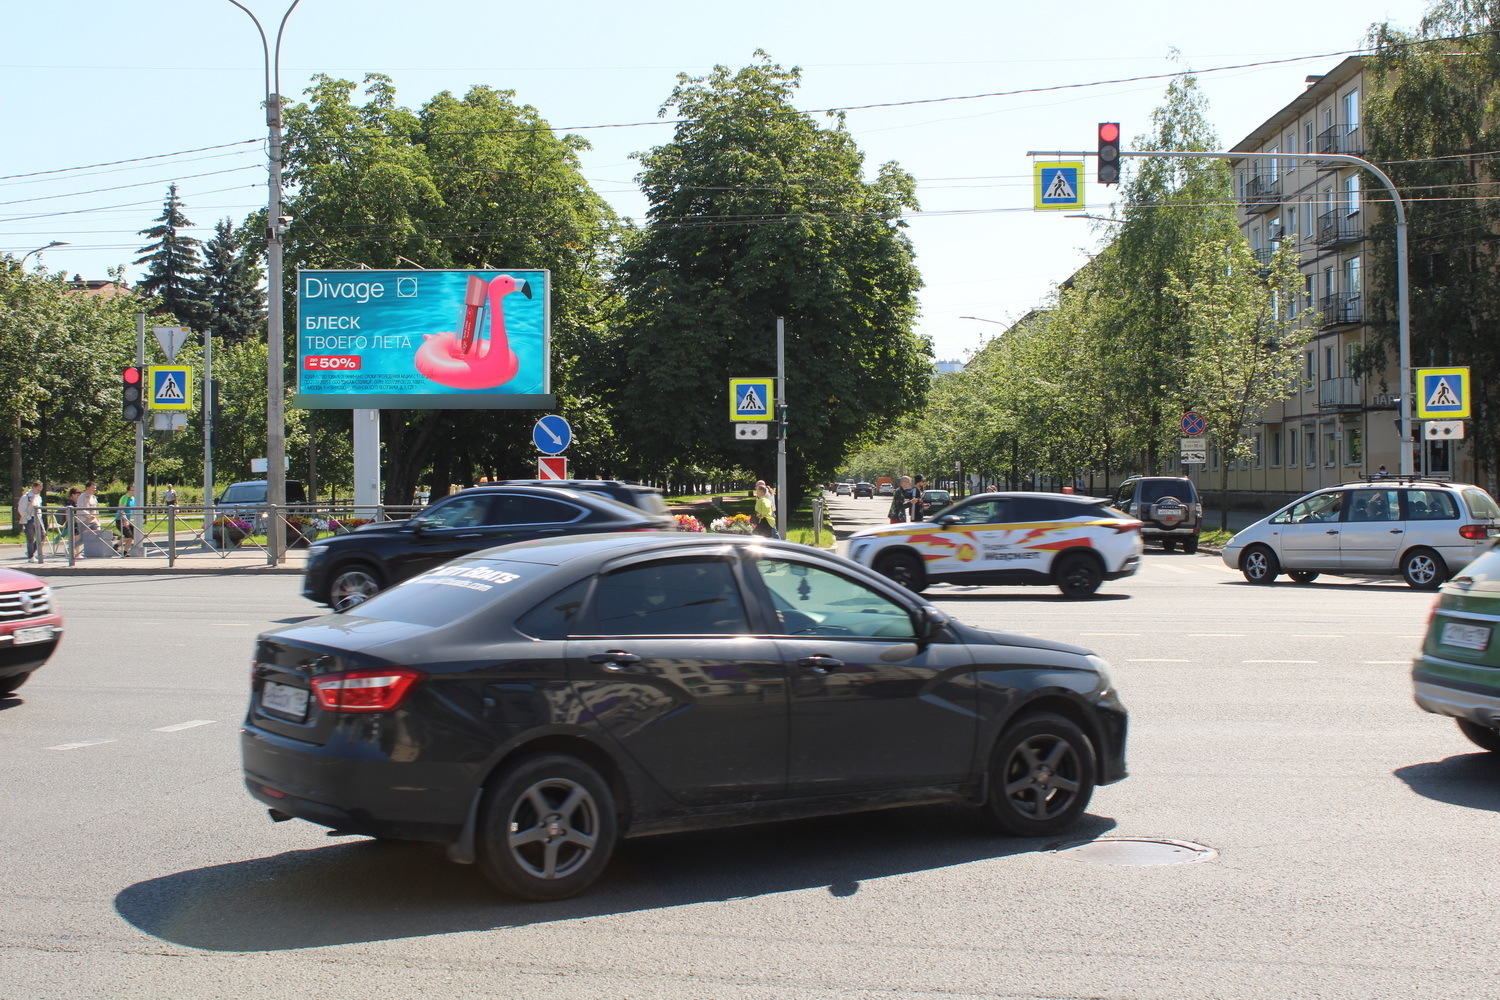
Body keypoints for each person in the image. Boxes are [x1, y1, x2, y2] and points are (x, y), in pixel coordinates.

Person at [17, 481, 42, 563]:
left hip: (38, 518)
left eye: (40, 489)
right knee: (30, 538)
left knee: (42, 535)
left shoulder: (38, 497)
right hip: (29, 519)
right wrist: (29, 518)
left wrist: (39, 517)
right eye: (38, 489)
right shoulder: (26, 497)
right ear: (33, 487)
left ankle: (31, 551)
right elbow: (21, 510)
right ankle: (31, 556)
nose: (39, 490)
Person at [115, 484, 136, 554]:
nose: (134, 492)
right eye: (133, 490)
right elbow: (121, 510)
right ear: (128, 491)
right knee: (128, 536)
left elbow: (133, 511)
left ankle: (125, 552)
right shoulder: (124, 498)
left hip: (127, 520)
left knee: (132, 536)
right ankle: (116, 545)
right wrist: (125, 520)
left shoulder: (133, 499)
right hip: (120, 520)